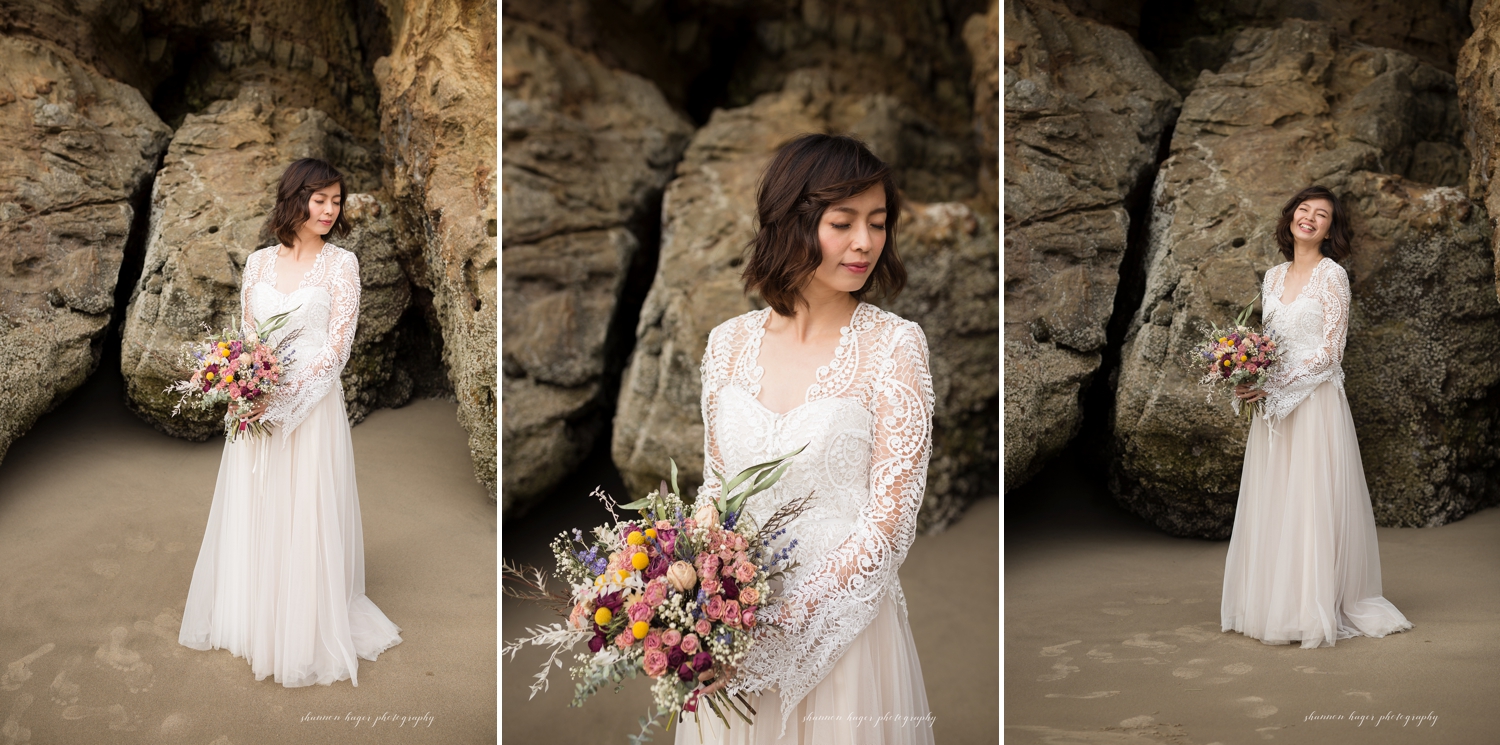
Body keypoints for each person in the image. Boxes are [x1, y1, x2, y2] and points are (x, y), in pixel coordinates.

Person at [678, 134, 936, 744]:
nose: (865, 243)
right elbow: (716, 487)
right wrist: (686, 596)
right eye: (842, 222)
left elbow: (888, 526)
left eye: (877, 223)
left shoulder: (895, 347)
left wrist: (780, 632)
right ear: (792, 222)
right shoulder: (726, 344)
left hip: (844, 640)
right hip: (729, 640)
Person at [177, 158, 402, 686]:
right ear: (295, 198)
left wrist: (284, 403)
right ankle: (256, 613)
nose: (329, 210)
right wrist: (243, 390)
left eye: (336, 201)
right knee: (258, 504)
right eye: (320, 199)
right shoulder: (257, 264)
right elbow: (251, 340)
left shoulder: (342, 264)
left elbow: (338, 347)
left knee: (304, 505)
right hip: (255, 405)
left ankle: (302, 621)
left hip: (311, 406)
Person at [1223, 185, 1413, 648]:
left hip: (1315, 404)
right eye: (1303, 210)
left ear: (1330, 229)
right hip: (1274, 409)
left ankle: (1312, 607)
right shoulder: (1271, 277)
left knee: (1310, 500)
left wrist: (1275, 384)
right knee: (1277, 500)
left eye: (1321, 214)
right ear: (1290, 218)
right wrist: (1247, 378)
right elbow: (1267, 347)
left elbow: (1331, 352)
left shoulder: (1333, 277)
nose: (1309, 218)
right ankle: (1276, 604)